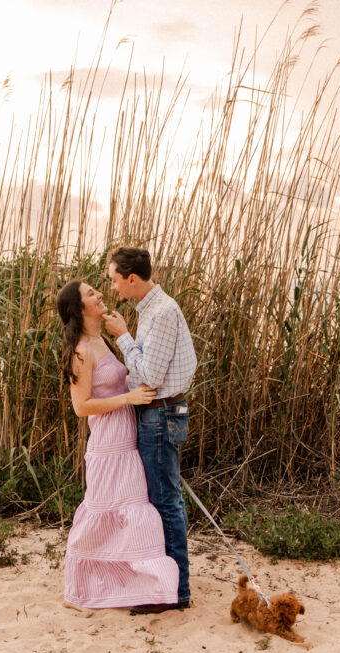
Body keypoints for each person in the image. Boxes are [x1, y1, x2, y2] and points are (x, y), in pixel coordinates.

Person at [57, 279, 180, 609]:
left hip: (126, 441)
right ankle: (84, 587)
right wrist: (129, 396)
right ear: (79, 309)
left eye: (97, 290)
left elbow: (117, 382)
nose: (100, 295)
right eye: (91, 294)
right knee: (104, 514)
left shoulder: (101, 341)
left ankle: (134, 584)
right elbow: (81, 406)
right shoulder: (81, 351)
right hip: (108, 446)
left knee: (131, 513)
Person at [104, 247, 197, 614]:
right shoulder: (151, 310)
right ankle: (170, 584)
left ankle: (175, 592)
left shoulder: (160, 312)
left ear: (131, 278)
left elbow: (152, 377)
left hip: (161, 414)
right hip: (159, 412)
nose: (112, 287)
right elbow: (144, 371)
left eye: (114, 280)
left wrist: (124, 338)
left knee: (164, 502)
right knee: (164, 498)